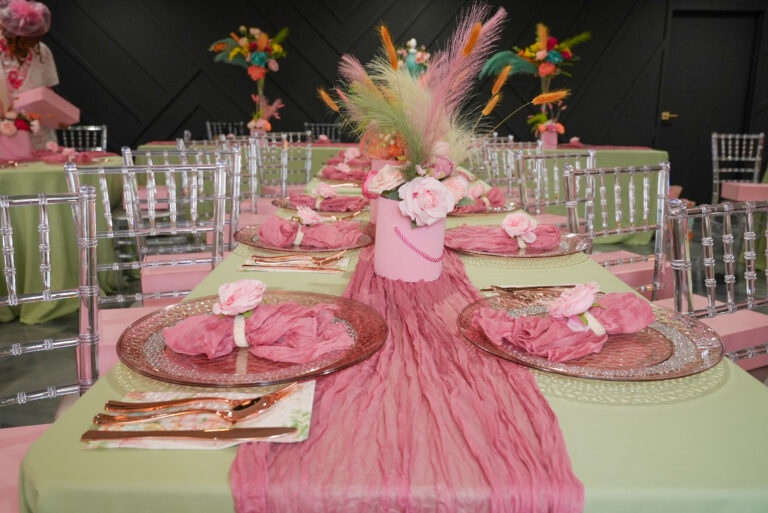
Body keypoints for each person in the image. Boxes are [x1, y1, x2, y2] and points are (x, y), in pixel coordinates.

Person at [0, 0, 57, 148]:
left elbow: (48, 91)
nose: (29, 44)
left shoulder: (42, 52)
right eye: (24, 39)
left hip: (38, 134)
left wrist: (52, 115)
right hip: (4, 135)